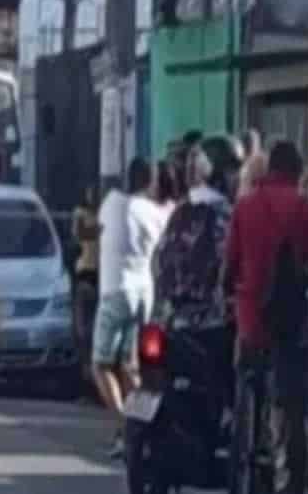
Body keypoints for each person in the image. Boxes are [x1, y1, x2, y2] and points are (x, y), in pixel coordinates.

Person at [225, 141, 308, 494]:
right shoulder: (304, 207)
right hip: (290, 323)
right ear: (296, 171)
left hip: (251, 320)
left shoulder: (244, 207)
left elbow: (229, 267)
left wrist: (232, 292)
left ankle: (243, 446)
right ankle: (292, 480)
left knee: (246, 384)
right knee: (292, 407)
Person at [93, 157, 167, 458]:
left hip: (115, 291)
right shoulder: (156, 213)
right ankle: (139, 430)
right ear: (151, 182)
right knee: (130, 366)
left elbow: (96, 231)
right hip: (144, 294)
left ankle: (127, 428)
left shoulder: (111, 204)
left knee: (101, 365)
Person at [152, 142, 232, 318]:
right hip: (213, 315)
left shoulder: (178, 212)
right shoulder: (225, 212)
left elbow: (160, 258)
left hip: (175, 312)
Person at [72, 184, 102, 376]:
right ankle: (85, 364)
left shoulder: (103, 213)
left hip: (101, 272)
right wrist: (99, 230)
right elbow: (80, 233)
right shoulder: (80, 213)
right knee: (84, 326)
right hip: (85, 271)